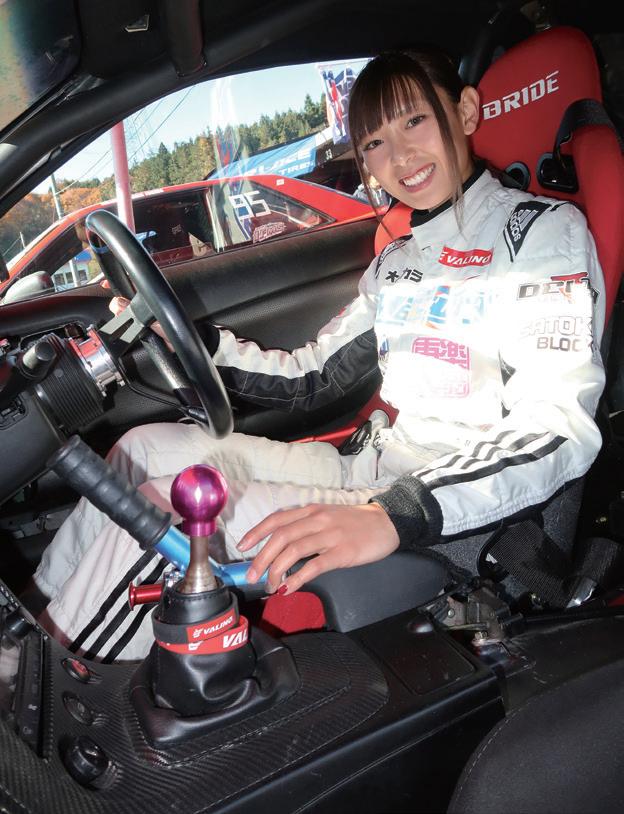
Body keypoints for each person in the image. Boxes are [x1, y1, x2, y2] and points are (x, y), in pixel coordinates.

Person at [34, 49, 605, 661]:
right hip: (369, 468)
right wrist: (202, 344)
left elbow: (557, 427)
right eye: (375, 143)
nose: (400, 157)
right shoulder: (397, 261)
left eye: (415, 121)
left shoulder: (540, 233)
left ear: (465, 111)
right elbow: (313, 375)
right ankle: (38, 625)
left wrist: (395, 512)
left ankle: (58, 679)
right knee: (141, 450)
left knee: (167, 510)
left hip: (446, 507)